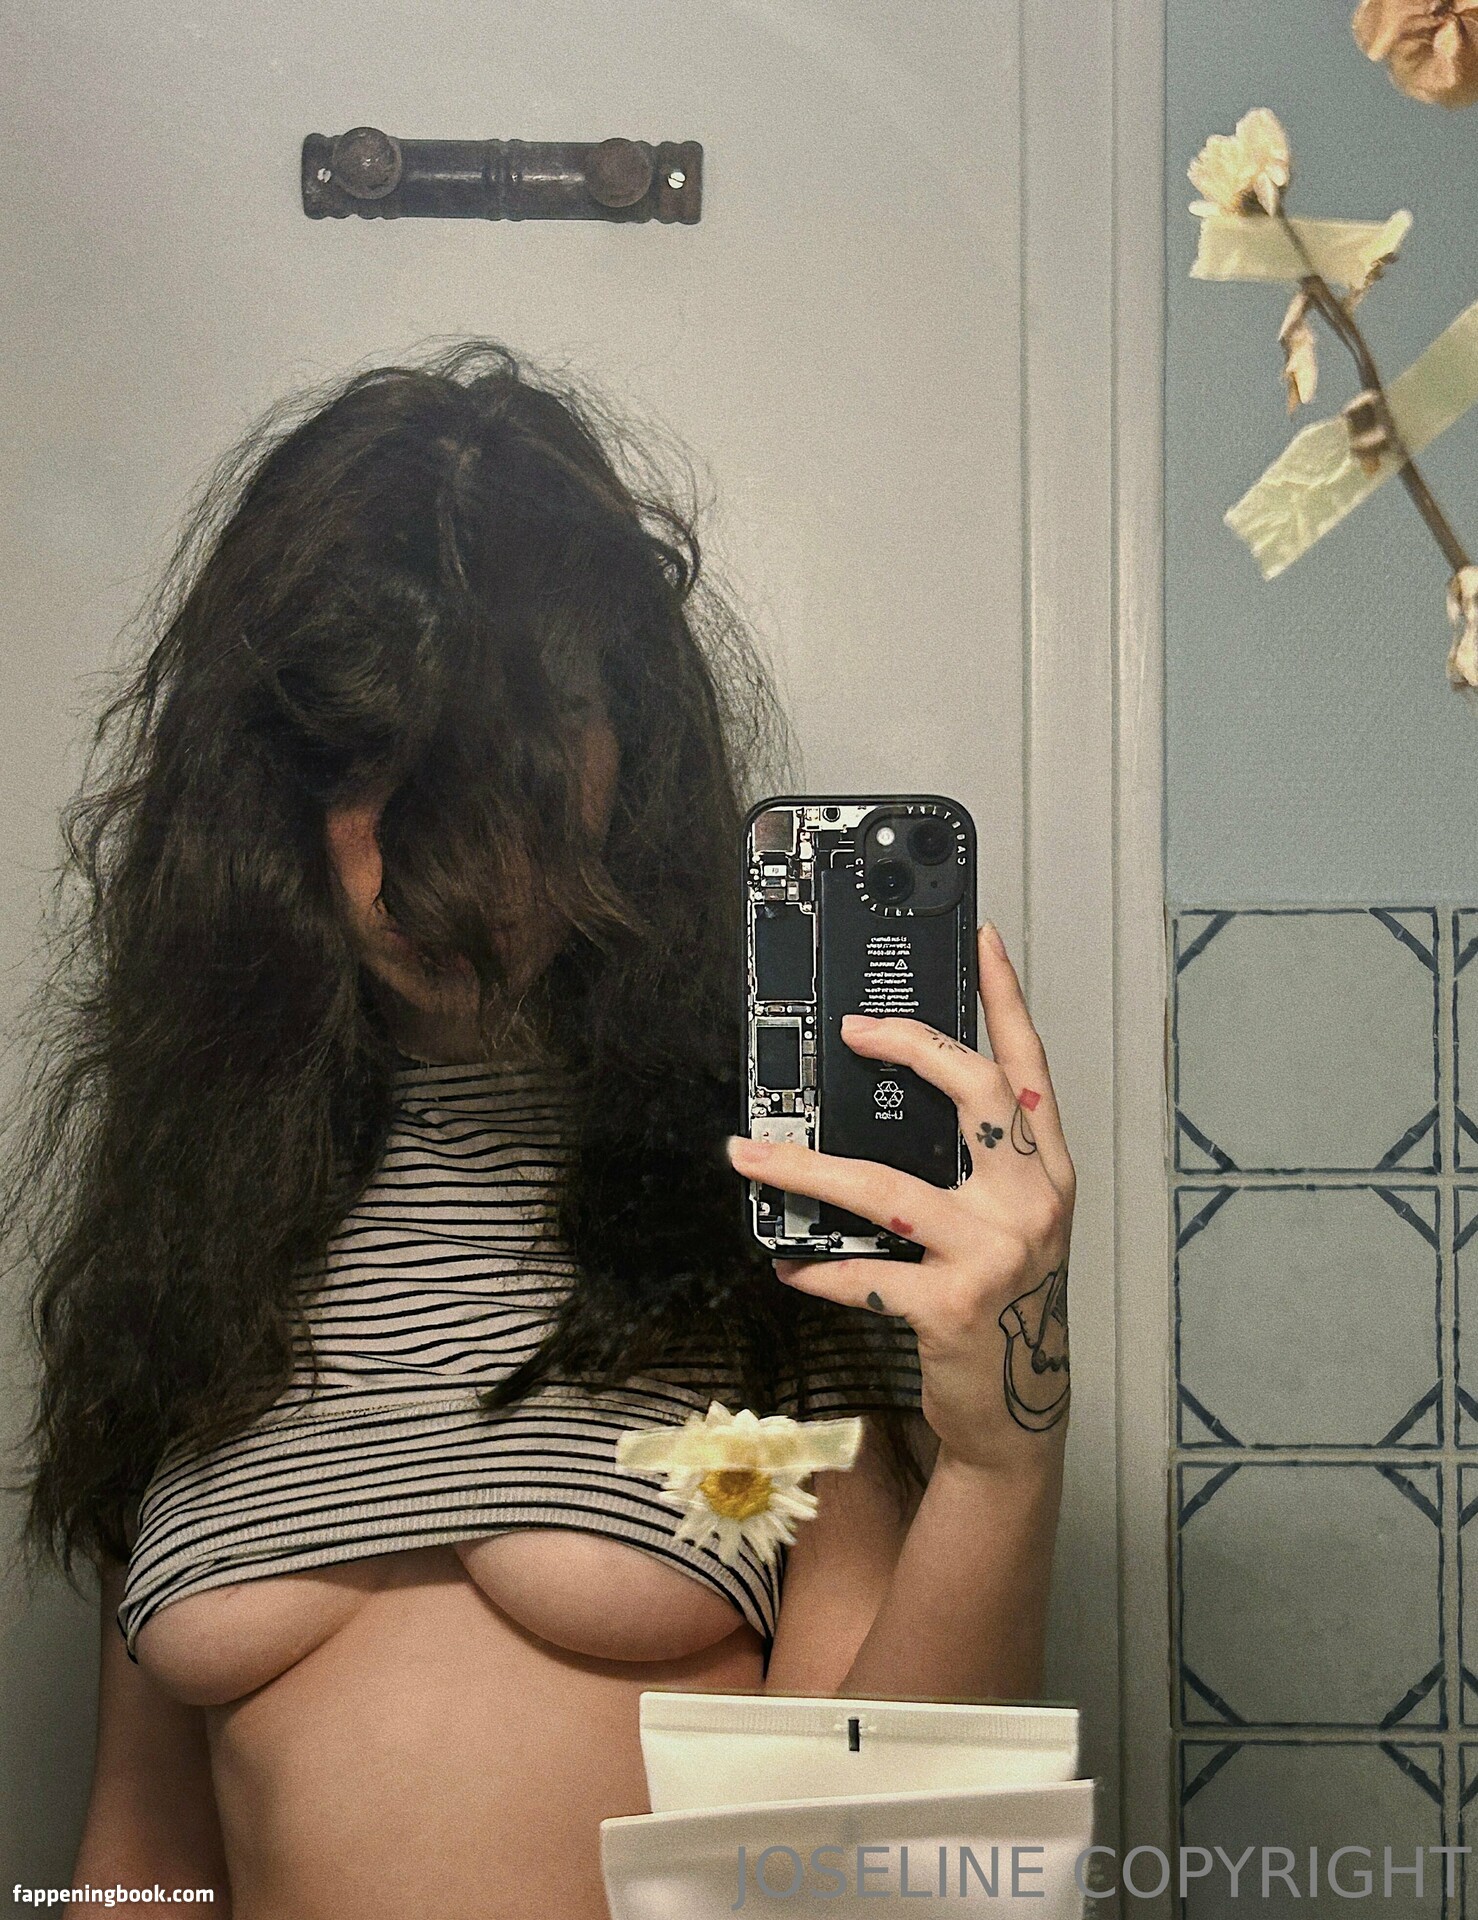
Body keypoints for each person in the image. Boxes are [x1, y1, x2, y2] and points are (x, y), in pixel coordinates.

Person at [7, 341, 1074, 1920]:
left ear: (621, 749)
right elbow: (141, 1855)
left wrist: (1000, 1461)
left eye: (510, 762)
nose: (444, 868)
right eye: (368, 762)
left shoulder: (757, 1205)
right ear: (265, 787)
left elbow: (880, 1881)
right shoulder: (197, 1226)